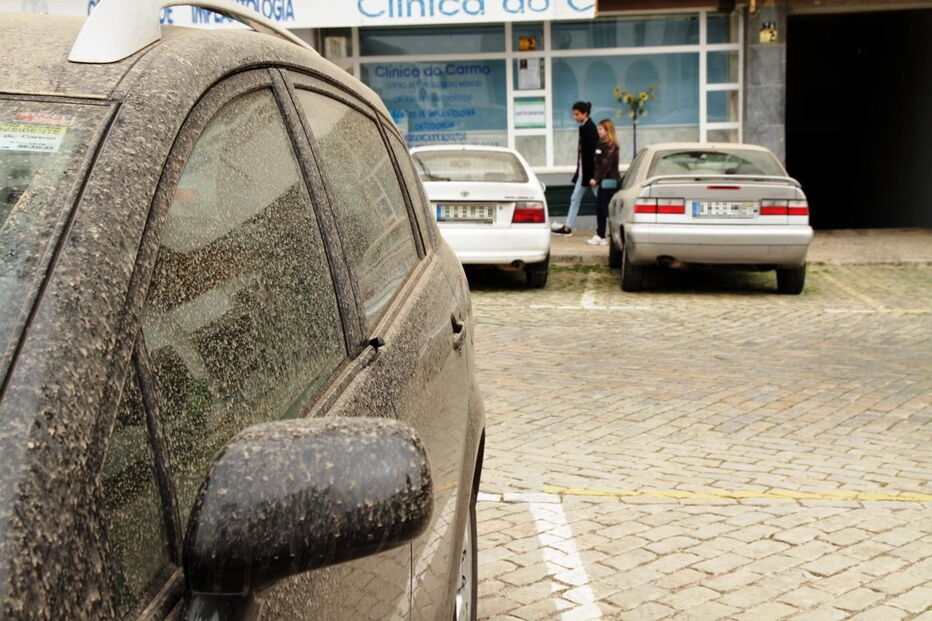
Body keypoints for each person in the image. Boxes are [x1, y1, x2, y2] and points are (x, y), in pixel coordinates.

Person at [552, 101, 598, 236]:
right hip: (584, 172)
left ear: (585, 114)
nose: (575, 117)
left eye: (577, 114)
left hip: (590, 173)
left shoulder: (589, 128)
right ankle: (568, 226)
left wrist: (593, 175)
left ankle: (610, 226)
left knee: (601, 201)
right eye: (574, 114)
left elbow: (591, 153)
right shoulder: (585, 127)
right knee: (575, 198)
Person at [586, 119, 621, 246]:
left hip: (609, 181)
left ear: (608, 130)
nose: (598, 131)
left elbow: (605, 165)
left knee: (606, 209)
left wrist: (596, 179)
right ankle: (600, 234)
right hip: (603, 181)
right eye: (598, 129)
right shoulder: (601, 144)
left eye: (601, 129)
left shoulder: (612, 146)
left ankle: (612, 235)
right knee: (599, 208)